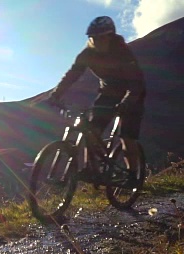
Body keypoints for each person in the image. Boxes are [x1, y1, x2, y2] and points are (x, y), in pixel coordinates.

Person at [47, 16, 146, 177]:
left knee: (126, 136)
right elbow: (72, 75)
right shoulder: (87, 54)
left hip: (133, 92)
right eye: (93, 38)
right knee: (92, 130)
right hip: (109, 92)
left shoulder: (123, 53)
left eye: (101, 38)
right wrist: (56, 94)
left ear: (110, 37)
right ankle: (92, 169)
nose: (96, 41)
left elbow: (136, 81)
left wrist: (128, 100)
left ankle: (132, 175)